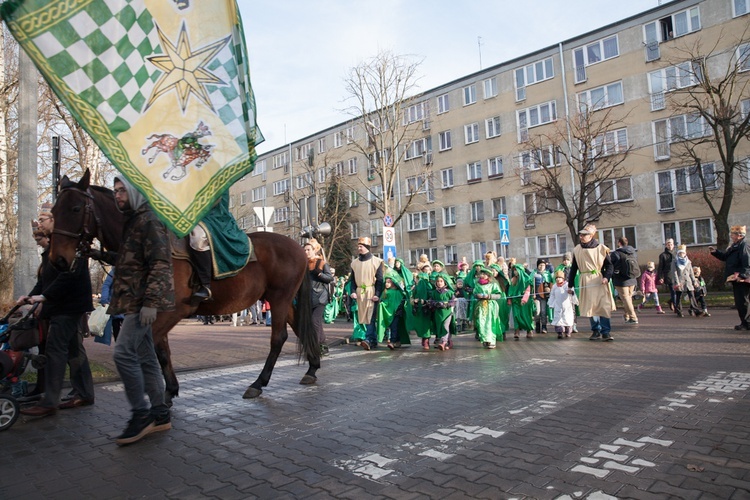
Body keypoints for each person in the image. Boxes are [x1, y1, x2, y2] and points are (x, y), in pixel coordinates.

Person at [93, 176, 175, 445]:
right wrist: (99, 255)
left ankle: (140, 413)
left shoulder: (150, 219)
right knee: (147, 358)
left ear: (136, 191)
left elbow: (161, 263)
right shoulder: (133, 220)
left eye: (122, 191)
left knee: (123, 352)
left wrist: (152, 303)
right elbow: (127, 261)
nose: (117, 196)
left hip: (141, 304)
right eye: (115, 191)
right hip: (131, 302)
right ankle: (160, 413)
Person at [19, 204, 96, 417]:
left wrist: (44, 297)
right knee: (73, 350)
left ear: (55, 221)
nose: (40, 223)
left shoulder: (67, 243)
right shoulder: (53, 246)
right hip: (64, 304)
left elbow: (69, 276)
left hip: (69, 305)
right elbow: (46, 279)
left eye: (44, 219)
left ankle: (49, 401)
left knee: (55, 348)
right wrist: (30, 296)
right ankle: (85, 393)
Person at [568, 224, 616, 341]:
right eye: (581, 235)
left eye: (584, 235)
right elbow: (574, 269)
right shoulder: (577, 250)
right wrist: (570, 285)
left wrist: (606, 277)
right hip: (586, 280)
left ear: (591, 236)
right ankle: (596, 330)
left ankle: (606, 331)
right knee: (591, 306)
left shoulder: (601, 249)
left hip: (599, 280)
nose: (581, 237)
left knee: (603, 305)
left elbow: (609, 266)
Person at [710, 225, 750, 330]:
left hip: (741, 279)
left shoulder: (743, 246)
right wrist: (715, 252)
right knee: (739, 302)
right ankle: (744, 322)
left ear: (739, 235)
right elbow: (725, 257)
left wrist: (742, 275)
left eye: (733, 234)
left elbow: (747, 263)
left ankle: (747, 322)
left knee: (743, 301)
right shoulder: (734, 246)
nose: (731, 236)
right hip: (734, 278)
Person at [348, 237, 384, 350]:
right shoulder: (354, 263)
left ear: (367, 247)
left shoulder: (376, 262)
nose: (359, 248)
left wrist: (377, 294)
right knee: (364, 317)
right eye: (358, 246)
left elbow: (379, 280)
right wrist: (353, 291)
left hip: (370, 291)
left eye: (361, 246)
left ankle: (368, 339)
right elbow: (352, 280)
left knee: (370, 317)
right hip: (360, 292)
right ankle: (373, 340)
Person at [304, 239, 333, 356]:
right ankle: (323, 346)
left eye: (308, 250)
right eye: (304, 250)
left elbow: (329, 278)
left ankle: (315, 348)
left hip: (320, 296)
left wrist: (319, 274)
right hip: (308, 297)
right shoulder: (304, 264)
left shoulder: (321, 263)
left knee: (314, 321)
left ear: (314, 250)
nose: (306, 252)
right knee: (316, 323)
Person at [472, 267, 504, 349]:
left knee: (490, 323)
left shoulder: (493, 285)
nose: (482, 275)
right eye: (481, 274)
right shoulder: (477, 284)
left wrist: (489, 296)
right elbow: (474, 293)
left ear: (488, 276)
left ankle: (491, 340)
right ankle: (485, 339)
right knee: (481, 323)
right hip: (481, 306)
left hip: (491, 306)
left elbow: (498, 295)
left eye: (484, 274)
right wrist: (478, 296)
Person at [376, 270, 408, 350]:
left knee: (394, 327)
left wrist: (399, 310)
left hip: (396, 313)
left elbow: (402, 301)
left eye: (389, 282)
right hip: (388, 313)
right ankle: (397, 341)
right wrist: (382, 304)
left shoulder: (398, 292)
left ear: (393, 283)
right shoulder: (385, 292)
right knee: (392, 327)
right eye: (386, 282)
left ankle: (392, 341)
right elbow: (384, 301)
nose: (387, 284)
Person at [611, 237, 640, 324]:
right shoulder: (633, 252)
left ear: (619, 243)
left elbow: (611, 265)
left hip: (621, 280)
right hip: (632, 278)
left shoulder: (616, 253)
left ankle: (633, 317)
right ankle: (627, 315)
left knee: (626, 298)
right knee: (628, 298)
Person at [671, 245, 700, 318]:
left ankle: (695, 310)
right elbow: (674, 272)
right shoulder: (675, 261)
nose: (682, 254)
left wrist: (694, 281)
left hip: (688, 281)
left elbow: (691, 273)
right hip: (680, 281)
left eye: (683, 253)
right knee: (679, 296)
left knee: (691, 295)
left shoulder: (688, 262)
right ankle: (679, 311)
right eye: (680, 253)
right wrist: (677, 282)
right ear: (678, 253)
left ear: (685, 253)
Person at [508, 261, 534, 340]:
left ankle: (529, 330)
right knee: (516, 316)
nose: (515, 272)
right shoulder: (513, 280)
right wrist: (509, 299)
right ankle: (517, 331)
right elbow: (510, 290)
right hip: (515, 301)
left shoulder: (527, 279)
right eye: (514, 270)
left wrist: (524, 299)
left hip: (525, 303)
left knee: (526, 316)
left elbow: (528, 290)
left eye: (516, 270)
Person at [411, 260, 434, 349]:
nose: (426, 270)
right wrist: (414, 300)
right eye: (425, 269)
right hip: (419, 306)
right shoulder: (419, 281)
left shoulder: (431, 280)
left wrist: (427, 301)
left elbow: (432, 292)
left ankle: (426, 340)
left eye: (428, 269)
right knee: (421, 323)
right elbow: (414, 293)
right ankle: (424, 338)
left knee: (427, 323)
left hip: (428, 305)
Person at [548, 270, 578, 339]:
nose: (558, 279)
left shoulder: (567, 285)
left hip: (567, 306)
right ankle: (560, 332)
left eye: (560, 278)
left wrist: (571, 292)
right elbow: (552, 295)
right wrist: (551, 303)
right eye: (557, 278)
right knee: (558, 319)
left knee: (567, 318)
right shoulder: (555, 286)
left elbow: (573, 293)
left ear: (563, 278)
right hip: (558, 305)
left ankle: (568, 332)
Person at [431, 272, 456, 350]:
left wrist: (447, 304)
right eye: (438, 281)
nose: (439, 283)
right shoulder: (434, 293)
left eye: (441, 281)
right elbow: (431, 301)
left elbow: (454, 301)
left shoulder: (449, 292)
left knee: (445, 326)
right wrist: (436, 304)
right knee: (439, 327)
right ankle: (443, 340)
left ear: (445, 282)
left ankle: (443, 342)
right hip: (438, 313)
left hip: (447, 313)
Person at [533, 258, 552, 334]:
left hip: (544, 296)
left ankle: (544, 326)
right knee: (537, 311)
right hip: (536, 296)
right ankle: (537, 325)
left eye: (543, 265)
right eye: (540, 265)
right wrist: (532, 293)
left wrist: (549, 289)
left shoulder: (548, 274)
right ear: (538, 265)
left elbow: (551, 283)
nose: (541, 266)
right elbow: (531, 284)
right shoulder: (534, 273)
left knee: (544, 311)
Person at [657, 239, 676, 312]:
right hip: (668, 275)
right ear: (666, 245)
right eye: (668, 244)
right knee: (673, 291)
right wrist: (661, 277)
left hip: (677, 275)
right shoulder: (663, 255)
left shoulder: (676, 253)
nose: (670, 245)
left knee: (679, 291)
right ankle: (675, 307)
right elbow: (660, 267)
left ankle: (671, 301)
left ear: (673, 245)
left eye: (671, 244)